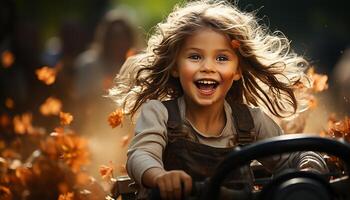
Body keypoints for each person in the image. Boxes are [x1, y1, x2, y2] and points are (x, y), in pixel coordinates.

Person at [109, 0, 329, 199]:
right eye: (195, 56)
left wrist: (309, 169)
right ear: (176, 67)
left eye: (222, 58)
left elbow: (293, 158)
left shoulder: (250, 121)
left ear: (237, 71)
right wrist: (159, 177)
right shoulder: (159, 113)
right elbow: (141, 154)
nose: (208, 67)